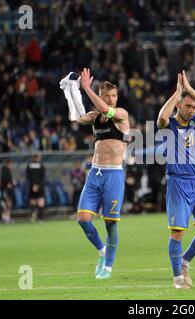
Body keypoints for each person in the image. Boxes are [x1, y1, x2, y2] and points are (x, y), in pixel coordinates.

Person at [157, 70, 195, 289]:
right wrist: (178, 92)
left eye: (194, 107)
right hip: (178, 183)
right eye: (188, 106)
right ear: (179, 106)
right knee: (178, 232)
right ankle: (177, 278)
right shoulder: (170, 125)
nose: (192, 110)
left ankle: (185, 261)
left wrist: (190, 90)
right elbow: (162, 117)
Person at [73, 68, 130, 280]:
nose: (111, 100)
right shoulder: (94, 117)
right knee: (83, 218)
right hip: (95, 173)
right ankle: (102, 251)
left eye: (114, 96)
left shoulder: (122, 115)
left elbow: (107, 110)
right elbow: (75, 116)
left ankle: (108, 268)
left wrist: (86, 88)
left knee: (110, 223)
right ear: (100, 95)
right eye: (107, 96)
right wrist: (72, 90)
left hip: (114, 175)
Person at [26, 154, 46, 223]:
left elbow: (28, 177)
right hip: (40, 186)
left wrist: (33, 186)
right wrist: (38, 186)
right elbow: (42, 177)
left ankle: (33, 216)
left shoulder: (29, 166)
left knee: (33, 202)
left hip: (32, 187)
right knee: (41, 202)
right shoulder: (41, 166)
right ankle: (40, 218)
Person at [0, 159, 15, 223]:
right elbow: (5, 179)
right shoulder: (5, 170)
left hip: (8, 190)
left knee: (8, 204)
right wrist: (9, 183)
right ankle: (5, 217)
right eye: (10, 164)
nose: (11, 165)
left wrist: (12, 183)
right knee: (7, 204)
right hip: (6, 190)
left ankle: (7, 217)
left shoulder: (7, 170)